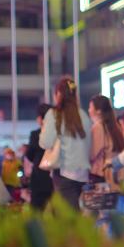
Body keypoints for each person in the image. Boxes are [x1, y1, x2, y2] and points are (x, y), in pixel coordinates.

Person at [40, 77, 92, 210]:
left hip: (63, 172)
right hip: (82, 173)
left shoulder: (54, 114)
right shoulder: (84, 115)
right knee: (74, 212)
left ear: (58, 94)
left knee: (66, 218)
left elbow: (45, 143)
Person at [88, 95, 124, 184]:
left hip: (100, 173)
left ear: (98, 111)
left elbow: (91, 154)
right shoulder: (115, 127)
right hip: (115, 174)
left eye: (90, 107)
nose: (89, 110)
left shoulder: (98, 127)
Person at [26, 103, 54, 210]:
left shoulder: (35, 135)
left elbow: (29, 155)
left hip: (39, 177)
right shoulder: (58, 134)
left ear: (41, 118)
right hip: (54, 177)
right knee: (58, 212)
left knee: (37, 212)